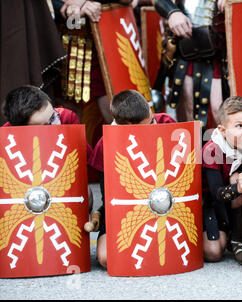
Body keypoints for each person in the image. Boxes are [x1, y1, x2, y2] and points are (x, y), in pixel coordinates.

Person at [88, 89, 175, 268]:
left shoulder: (165, 122)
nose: (153, 127)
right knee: (106, 259)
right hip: (125, 209)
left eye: (151, 121)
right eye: (146, 126)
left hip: (165, 202)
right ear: (126, 127)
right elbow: (109, 196)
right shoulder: (105, 144)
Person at [1, 85, 94, 214]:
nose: (52, 126)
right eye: (43, 126)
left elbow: (86, 159)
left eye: (52, 118)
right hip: (25, 191)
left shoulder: (66, 118)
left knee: (86, 192)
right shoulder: (7, 136)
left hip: (60, 182)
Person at [152, 0, 228, 127]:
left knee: (221, 112)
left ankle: (225, 146)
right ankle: (192, 146)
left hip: (222, 47)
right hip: (186, 46)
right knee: (188, 111)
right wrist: (172, 12)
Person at [202, 96, 242, 265]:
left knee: (238, 175)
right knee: (214, 252)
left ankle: (240, 238)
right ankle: (230, 233)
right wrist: (237, 187)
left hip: (234, 201)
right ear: (222, 130)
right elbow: (216, 193)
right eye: (239, 126)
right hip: (211, 204)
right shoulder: (212, 150)